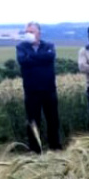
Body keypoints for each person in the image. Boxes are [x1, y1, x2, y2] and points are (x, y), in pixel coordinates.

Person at [16, 22, 62, 153]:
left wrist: (31, 58)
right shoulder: (21, 47)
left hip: (49, 89)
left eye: (31, 32)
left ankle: (55, 147)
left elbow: (50, 57)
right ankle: (35, 149)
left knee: (53, 120)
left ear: (39, 33)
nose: (28, 34)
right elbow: (22, 61)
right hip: (31, 90)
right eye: (27, 32)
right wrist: (40, 59)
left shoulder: (49, 45)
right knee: (32, 121)